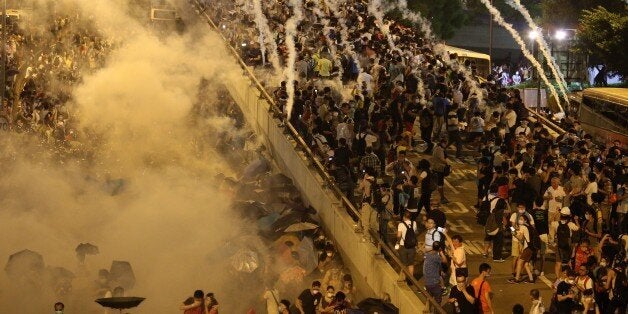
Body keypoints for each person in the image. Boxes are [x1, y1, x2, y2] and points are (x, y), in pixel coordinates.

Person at [423, 241, 448, 308]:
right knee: (438, 302)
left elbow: (436, 265)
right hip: (434, 283)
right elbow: (445, 261)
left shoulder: (427, 255)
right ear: (439, 248)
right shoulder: (436, 257)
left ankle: (427, 311)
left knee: (428, 300)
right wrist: (441, 252)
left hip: (427, 282)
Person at [396, 211, 418, 281]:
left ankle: (403, 278)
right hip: (412, 246)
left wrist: (398, 242)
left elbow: (399, 235)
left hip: (403, 246)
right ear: (410, 217)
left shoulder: (401, 224)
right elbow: (415, 233)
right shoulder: (414, 223)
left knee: (404, 264)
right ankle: (411, 279)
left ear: (404, 217)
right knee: (411, 263)